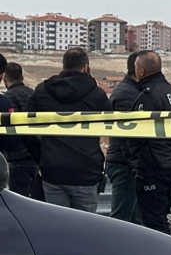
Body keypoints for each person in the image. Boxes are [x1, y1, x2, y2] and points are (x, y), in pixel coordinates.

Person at [27, 48, 109, 213]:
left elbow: (27, 130)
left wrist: (42, 157)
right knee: (86, 229)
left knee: (57, 227)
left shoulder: (42, 91)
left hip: (53, 170)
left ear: (63, 65)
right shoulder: (97, 95)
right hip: (86, 170)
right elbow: (110, 128)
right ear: (85, 67)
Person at [129, 51, 171, 234]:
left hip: (154, 166)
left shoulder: (147, 96)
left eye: (136, 68)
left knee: (153, 221)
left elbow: (137, 135)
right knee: (160, 215)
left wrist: (134, 162)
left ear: (142, 71)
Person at [106, 52, 144, 223]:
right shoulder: (127, 95)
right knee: (122, 219)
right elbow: (127, 137)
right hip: (125, 165)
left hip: (127, 164)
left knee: (133, 218)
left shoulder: (129, 91)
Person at [1, 58, 42, 199]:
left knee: (18, 198)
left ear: (5, 78)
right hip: (37, 156)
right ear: (21, 76)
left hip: (17, 158)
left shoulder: (7, 99)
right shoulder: (33, 94)